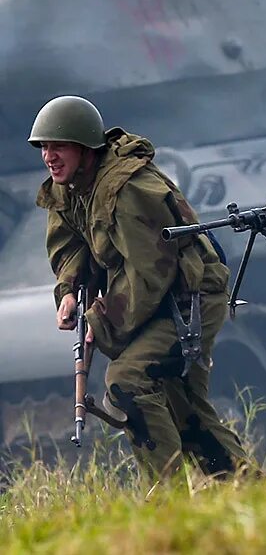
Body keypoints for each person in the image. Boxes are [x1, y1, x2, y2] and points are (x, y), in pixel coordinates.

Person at [30, 95, 249, 478]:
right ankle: (248, 488)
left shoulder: (127, 190)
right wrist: (68, 292)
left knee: (128, 381)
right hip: (152, 298)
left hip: (186, 297)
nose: (49, 156)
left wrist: (101, 323)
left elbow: (151, 272)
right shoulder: (70, 186)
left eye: (58, 146)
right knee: (186, 413)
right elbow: (70, 245)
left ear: (85, 147)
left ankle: (167, 498)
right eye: (44, 147)